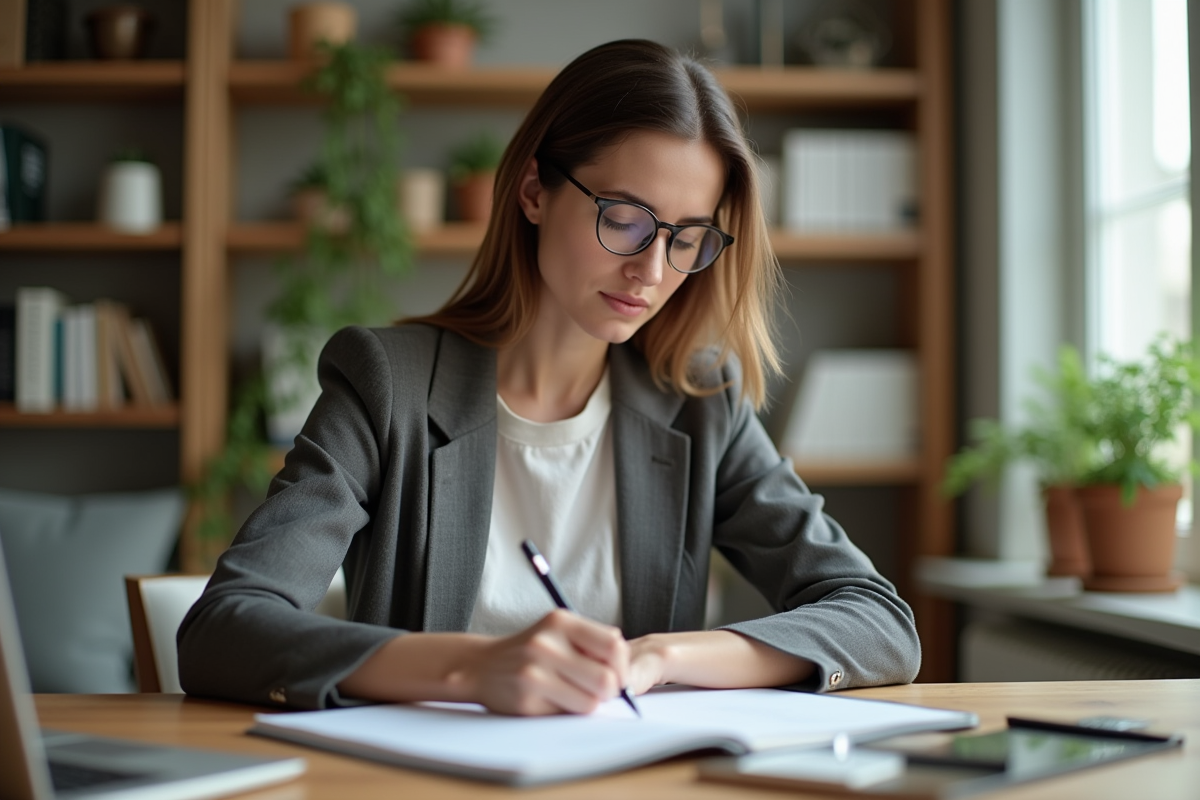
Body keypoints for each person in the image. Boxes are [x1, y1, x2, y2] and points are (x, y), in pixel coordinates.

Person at [178, 39, 920, 716]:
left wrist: (661, 658)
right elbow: (224, 629)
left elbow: (878, 622)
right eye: (625, 218)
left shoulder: (700, 401)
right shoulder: (387, 384)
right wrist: (471, 669)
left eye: (686, 237)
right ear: (535, 190)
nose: (652, 270)